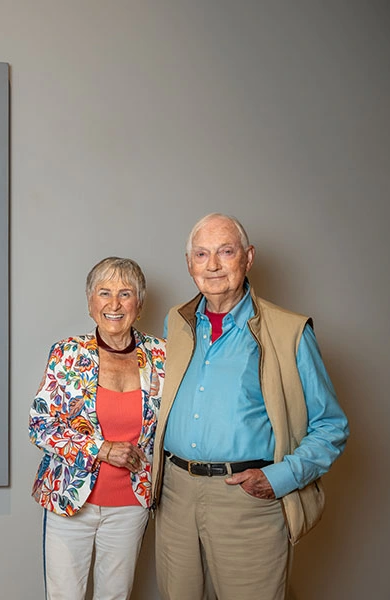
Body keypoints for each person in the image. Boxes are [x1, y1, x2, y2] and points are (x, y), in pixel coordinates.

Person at [151, 213, 349, 600]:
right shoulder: (176, 323)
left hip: (245, 500)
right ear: (189, 264)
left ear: (248, 257)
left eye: (225, 252)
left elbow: (331, 426)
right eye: (201, 254)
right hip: (175, 497)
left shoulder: (289, 331)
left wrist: (280, 478)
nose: (212, 265)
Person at [30, 257, 165, 600]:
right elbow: (41, 425)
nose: (114, 304)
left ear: (140, 303)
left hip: (131, 504)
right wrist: (102, 449)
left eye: (125, 293)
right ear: (90, 302)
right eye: (104, 293)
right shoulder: (68, 353)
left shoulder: (162, 356)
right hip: (71, 502)